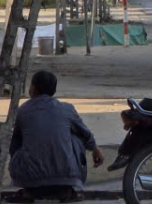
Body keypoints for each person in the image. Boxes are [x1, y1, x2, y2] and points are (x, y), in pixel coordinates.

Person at [7, 70, 104, 203]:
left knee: (18, 139)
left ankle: (27, 191)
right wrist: (95, 149)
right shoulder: (66, 109)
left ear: (33, 88)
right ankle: (67, 189)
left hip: (31, 179)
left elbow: (14, 144)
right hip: (65, 178)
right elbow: (85, 133)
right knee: (75, 137)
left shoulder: (23, 110)